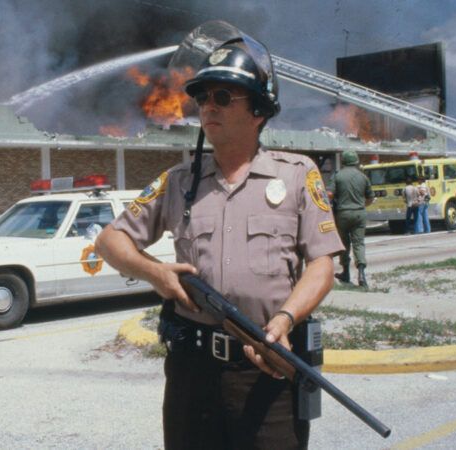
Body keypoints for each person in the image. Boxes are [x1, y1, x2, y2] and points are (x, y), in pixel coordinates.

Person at [95, 37, 344, 449]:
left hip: (268, 367)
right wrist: (155, 273)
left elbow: (323, 265)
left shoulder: (299, 174)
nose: (208, 106)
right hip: (192, 373)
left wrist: (284, 321)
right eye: (204, 97)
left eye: (224, 96)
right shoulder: (178, 182)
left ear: (258, 111)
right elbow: (109, 241)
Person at [326, 150, 374, 288]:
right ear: (356, 161)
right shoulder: (363, 177)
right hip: (359, 213)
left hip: (342, 214)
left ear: (343, 161)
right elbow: (370, 198)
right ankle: (361, 274)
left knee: (344, 244)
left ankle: (346, 272)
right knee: (359, 243)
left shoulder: (338, 176)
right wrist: (361, 206)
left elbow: (329, 194)